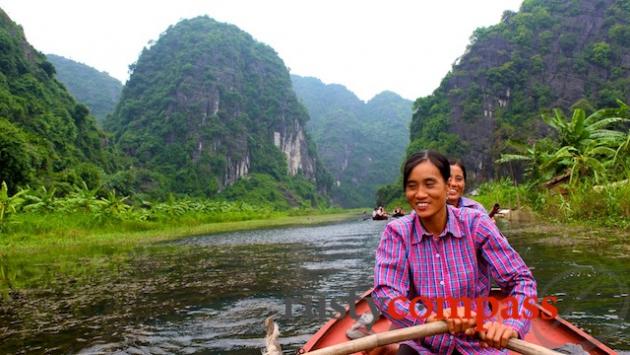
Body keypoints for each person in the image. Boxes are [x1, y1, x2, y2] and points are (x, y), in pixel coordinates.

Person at [373, 150, 537, 354]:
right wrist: (431, 317)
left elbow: (520, 280)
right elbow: (385, 293)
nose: (420, 194)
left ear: (447, 185)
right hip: (426, 345)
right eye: (412, 186)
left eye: (430, 184)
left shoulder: (476, 224)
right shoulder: (397, 232)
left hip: (478, 343)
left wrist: (512, 325)